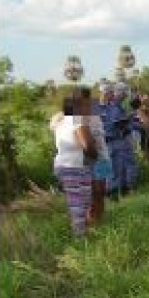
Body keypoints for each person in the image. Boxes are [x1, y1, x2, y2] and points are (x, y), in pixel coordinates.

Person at [53, 87, 98, 237]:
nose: (90, 106)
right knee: (79, 205)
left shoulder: (63, 119)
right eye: (88, 102)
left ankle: (82, 235)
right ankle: (80, 242)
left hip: (68, 165)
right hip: (73, 166)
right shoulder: (77, 120)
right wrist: (95, 154)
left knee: (83, 202)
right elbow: (87, 145)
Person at [94, 82, 136, 200]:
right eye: (110, 93)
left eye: (112, 93)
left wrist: (126, 120)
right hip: (100, 142)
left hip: (116, 140)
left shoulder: (115, 107)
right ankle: (102, 194)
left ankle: (114, 194)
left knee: (116, 169)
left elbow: (120, 122)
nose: (112, 95)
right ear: (103, 93)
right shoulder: (94, 108)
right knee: (103, 169)